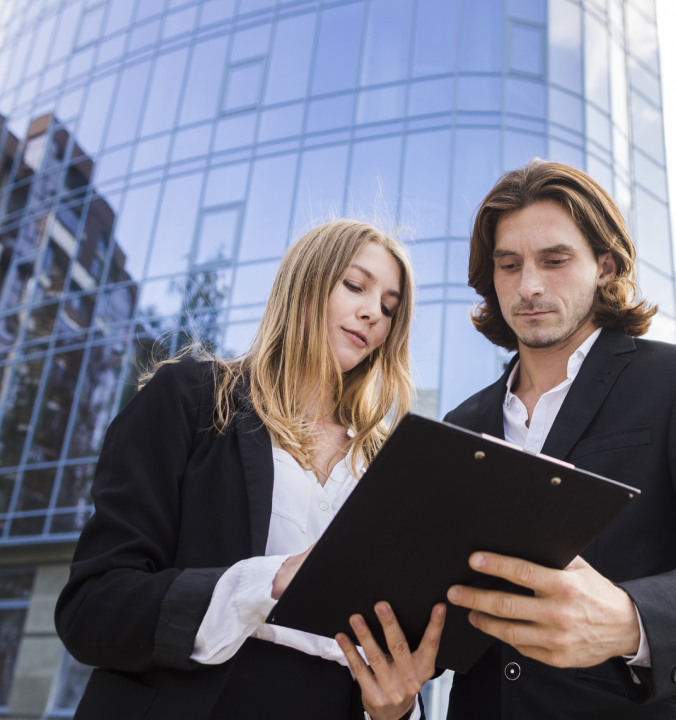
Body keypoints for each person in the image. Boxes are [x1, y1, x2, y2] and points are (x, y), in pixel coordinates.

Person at [441, 161, 676, 719]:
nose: (530, 285)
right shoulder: (457, 427)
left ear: (605, 265)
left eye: (555, 260)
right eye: (509, 264)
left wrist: (631, 618)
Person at [55, 220, 444, 720]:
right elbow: (92, 608)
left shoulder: (387, 465)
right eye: (354, 286)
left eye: (389, 309)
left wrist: (397, 708)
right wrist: (272, 581)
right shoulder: (191, 398)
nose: (372, 313)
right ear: (305, 283)